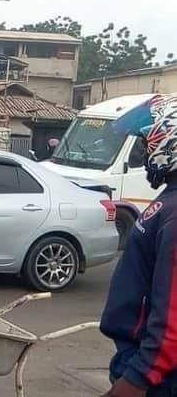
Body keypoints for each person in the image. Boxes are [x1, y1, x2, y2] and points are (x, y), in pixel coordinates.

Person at [100, 102, 177, 397]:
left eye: (149, 142)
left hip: (157, 377)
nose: (146, 151)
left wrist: (139, 377)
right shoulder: (168, 200)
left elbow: (172, 310)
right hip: (141, 359)